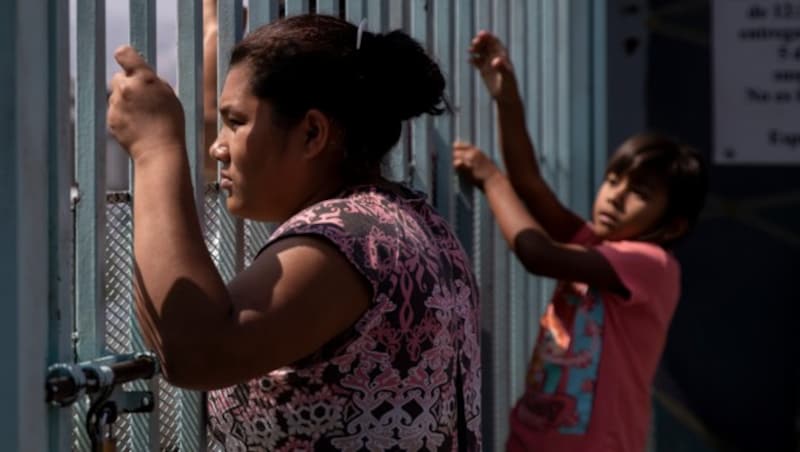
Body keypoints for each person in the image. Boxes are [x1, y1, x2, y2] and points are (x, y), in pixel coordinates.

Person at [107, 14, 481, 451]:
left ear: (311, 133)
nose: (218, 147)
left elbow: (197, 352)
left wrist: (156, 150)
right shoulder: (414, 222)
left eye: (236, 121)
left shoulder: (350, 241)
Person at [453, 31, 707, 452]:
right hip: (531, 438)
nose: (615, 197)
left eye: (639, 194)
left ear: (674, 226)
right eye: (613, 180)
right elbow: (532, 187)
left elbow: (537, 254)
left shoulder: (651, 264)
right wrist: (506, 98)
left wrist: (489, 178)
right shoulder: (594, 245)